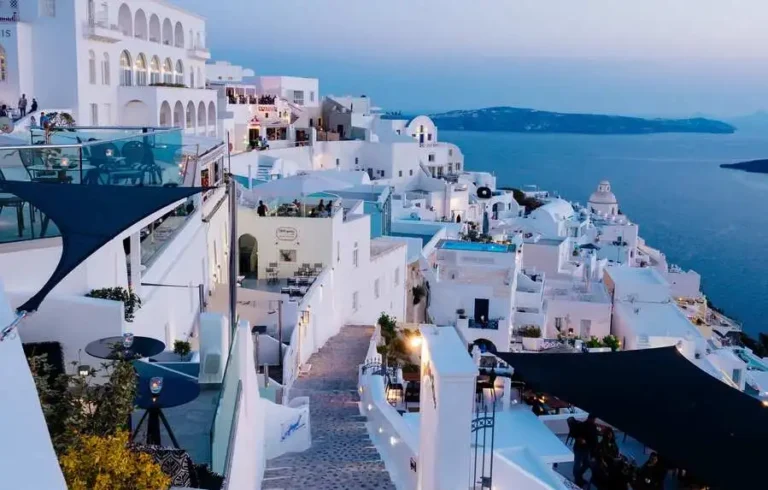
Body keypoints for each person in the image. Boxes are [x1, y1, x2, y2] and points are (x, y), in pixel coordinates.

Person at [572, 414, 599, 486]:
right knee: (577, 464)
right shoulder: (581, 426)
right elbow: (574, 434)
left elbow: (594, 439)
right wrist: (579, 439)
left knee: (586, 463)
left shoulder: (593, 426)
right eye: (593, 419)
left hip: (587, 449)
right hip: (579, 449)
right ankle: (577, 480)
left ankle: (578, 476)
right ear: (590, 418)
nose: (594, 420)